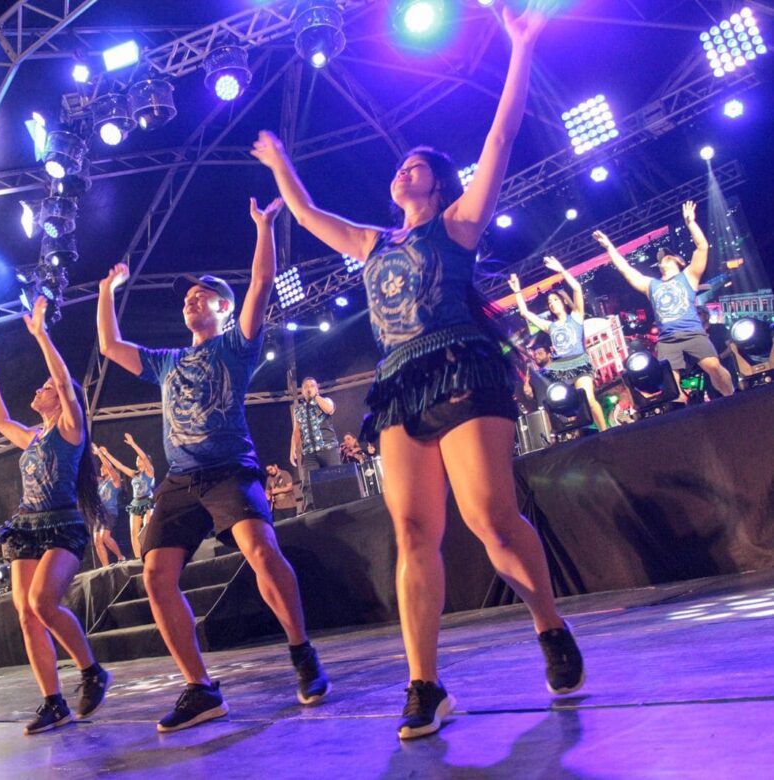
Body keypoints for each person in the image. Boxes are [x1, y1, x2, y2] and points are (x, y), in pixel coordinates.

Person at [253, 0, 583, 740]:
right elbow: (308, 216)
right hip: (400, 386)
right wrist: (280, 165)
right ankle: (424, 683)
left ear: (436, 184)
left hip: (463, 368)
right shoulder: (372, 244)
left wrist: (520, 46)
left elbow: (500, 134)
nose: (401, 171)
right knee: (410, 531)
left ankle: (549, 623)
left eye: (415, 167)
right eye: (398, 167)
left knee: (491, 520)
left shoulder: (459, 226)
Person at [97, 195, 330, 733]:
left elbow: (262, 282)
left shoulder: (237, 347)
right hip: (179, 480)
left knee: (261, 551)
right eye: (189, 299)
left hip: (228, 470)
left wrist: (264, 227)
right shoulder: (166, 363)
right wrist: (108, 292)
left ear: (223, 309)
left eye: (205, 297)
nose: (193, 302)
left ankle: (302, 652)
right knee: (156, 575)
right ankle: (200, 688)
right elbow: (109, 345)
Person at [0, 296, 113, 735]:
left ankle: (91, 671)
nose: (39, 390)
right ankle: (53, 701)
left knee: (41, 602)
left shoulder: (71, 427)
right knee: (25, 613)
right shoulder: (32, 437)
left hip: (63, 526)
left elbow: (65, 382)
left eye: (45, 387)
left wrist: (40, 334)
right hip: (27, 527)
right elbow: (0, 422)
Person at [594, 201, 734, 399]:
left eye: (668, 256)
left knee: (713, 366)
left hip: (692, 332)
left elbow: (702, 247)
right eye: (662, 258)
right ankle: (684, 419)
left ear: (679, 261)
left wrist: (691, 223)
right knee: (671, 383)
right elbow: (626, 270)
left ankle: (733, 399)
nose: (664, 259)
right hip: (667, 339)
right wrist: (609, 247)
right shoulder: (651, 285)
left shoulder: (689, 276)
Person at [509, 257, 607, 430]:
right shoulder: (550, 326)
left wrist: (560, 269)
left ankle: (607, 432)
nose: (552, 304)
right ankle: (578, 434)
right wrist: (517, 291)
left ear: (562, 301)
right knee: (564, 406)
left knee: (589, 400)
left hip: (580, 364)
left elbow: (576, 287)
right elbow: (525, 313)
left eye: (555, 300)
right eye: (549, 303)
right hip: (560, 369)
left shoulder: (576, 316)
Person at [96, 435, 156, 559]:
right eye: (137, 459)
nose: (138, 460)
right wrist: (106, 454)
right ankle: (138, 558)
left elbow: (144, 456)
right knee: (134, 533)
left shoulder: (150, 471)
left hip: (147, 501)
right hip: (136, 503)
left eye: (139, 459)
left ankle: (150, 553)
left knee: (146, 529)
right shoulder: (134, 474)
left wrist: (133, 444)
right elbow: (119, 466)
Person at [290, 377, 340, 509]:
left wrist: (316, 396)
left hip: (328, 448)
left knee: (336, 479)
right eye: (306, 386)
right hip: (309, 453)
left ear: (317, 388)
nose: (309, 388)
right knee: (308, 484)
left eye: (312, 385)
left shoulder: (325, 401)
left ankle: (342, 509)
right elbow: (297, 431)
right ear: (302, 391)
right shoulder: (298, 410)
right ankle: (311, 513)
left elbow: (329, 409)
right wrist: (292, 449)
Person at [90, 446, 129, 567]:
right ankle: (105, 566)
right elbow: (87, 475)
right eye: (101, 467)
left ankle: (121, 557)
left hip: (109, 512)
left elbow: (110, 468)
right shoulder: (101, 482)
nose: (101, 468)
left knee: (105, 537)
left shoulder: (115, 480)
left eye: (103, 467)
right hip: (99, 513)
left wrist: (100, 455)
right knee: (97, 540)